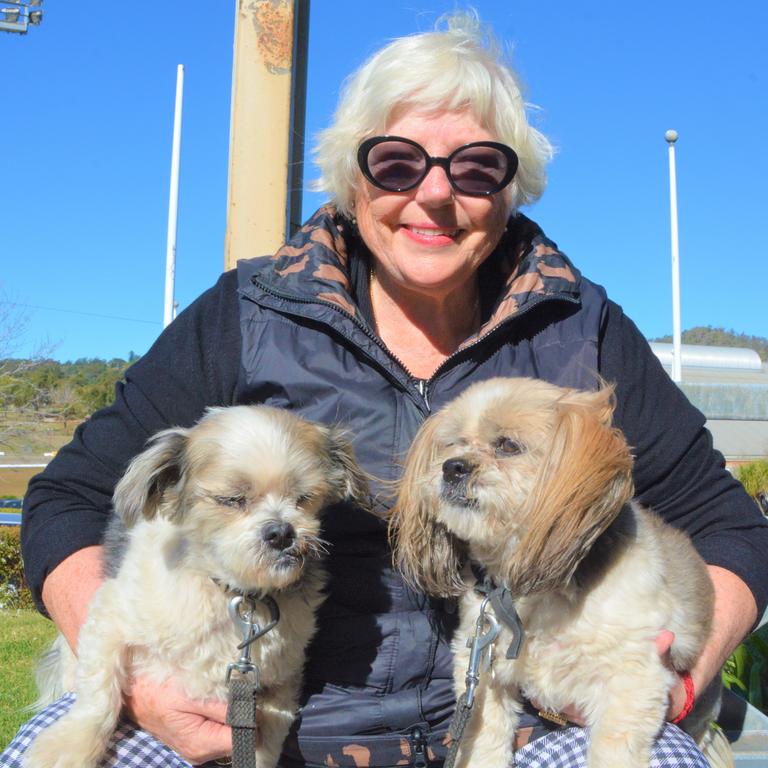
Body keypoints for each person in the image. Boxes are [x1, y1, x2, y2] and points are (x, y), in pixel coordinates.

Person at [5, 11, 767, 768]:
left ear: (511, 188)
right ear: (351, 175)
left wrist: (675, 675)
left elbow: (731, 527)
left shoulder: (580, 326)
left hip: (537, 722)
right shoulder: (250, 314)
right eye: (397, 163)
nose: (435, 194)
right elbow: (67, 502)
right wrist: (140, 688)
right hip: (275, 723)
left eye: (475, 167)